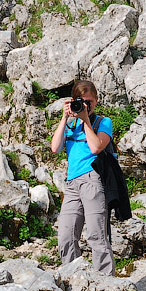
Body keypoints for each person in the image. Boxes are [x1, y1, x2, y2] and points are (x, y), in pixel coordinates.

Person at [51, 79, 115, 276]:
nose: (85, 105)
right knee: (65, 237)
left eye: (89, 102)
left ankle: (107, 284)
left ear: (96, 101)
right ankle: (74, 278)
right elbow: (55, 148)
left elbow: (96, 147)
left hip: (93, 181)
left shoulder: (103, 122)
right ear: (73, 101)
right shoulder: (70, 125)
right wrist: (64, 118)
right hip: (72, 184)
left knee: (96, 235)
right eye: (81, 101)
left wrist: (86, 119)